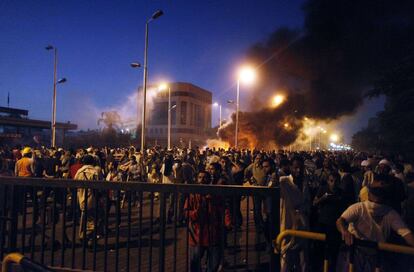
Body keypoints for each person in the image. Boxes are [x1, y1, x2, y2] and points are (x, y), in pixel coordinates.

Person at [336, 174, 414, 272]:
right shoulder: (359, 208)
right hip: (355, 255)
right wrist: (345, 231)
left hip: (374, 258)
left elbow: (406, 233)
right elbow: (340, 221)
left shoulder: (390, 213)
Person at [186, 170, 223, 272]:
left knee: (213, 263)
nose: (202, 180)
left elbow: (222, 209)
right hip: (197, 233)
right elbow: (186, 212)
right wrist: (196, 213)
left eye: (204, 177)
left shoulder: (215, 194)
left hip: (213, 232)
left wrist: (226, 222)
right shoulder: (193, 195)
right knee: (195, 262)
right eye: (200, 177)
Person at [74, 155, 102, 246]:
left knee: (83, 216)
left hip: (81, 196)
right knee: (92, 219)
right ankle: (90, 239)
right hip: (92, 197)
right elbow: (99, 186)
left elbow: (74, 182)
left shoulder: (79, 171)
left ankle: (82, 235)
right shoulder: (94, 171)